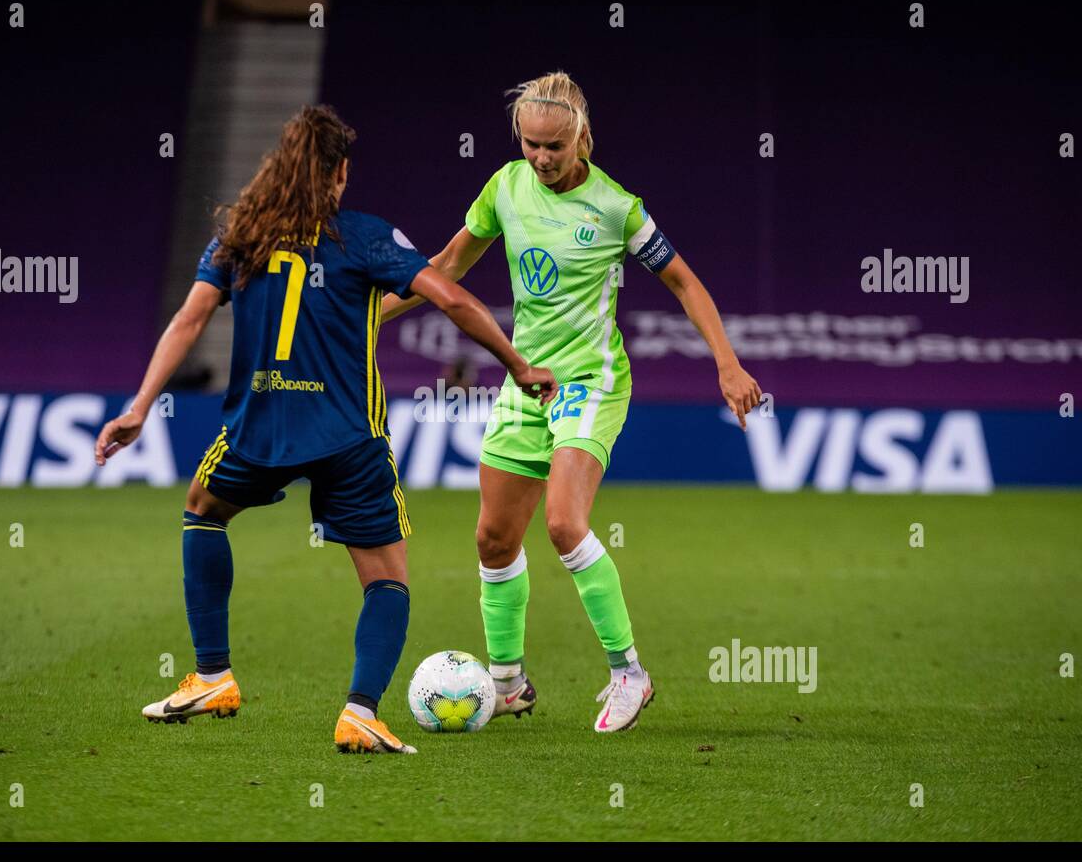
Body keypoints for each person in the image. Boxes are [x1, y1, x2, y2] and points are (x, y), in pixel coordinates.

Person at [94, 106, 555, 754]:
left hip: (259, 426)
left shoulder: (238, 236)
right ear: (340, 173)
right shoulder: (362, 237)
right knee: (387, 578)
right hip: (348, 434)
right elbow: (449, 296)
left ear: (281, 166)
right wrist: (518, 364)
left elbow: (189, 320)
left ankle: (212, 673)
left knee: (202, 510)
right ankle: (360, 711)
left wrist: (140, 406)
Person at [382, 72, 761, 732]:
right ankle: (508, 683)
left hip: (591, 379)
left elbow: (685, 281)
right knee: (493, 538)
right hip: (526, 380)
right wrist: (370, 317)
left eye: (553, 146)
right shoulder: (504, 187)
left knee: (562, 522)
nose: (540, 157)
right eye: (530, 143)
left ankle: (629, 673)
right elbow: (445, 265)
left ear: (582, 136)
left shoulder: (617, 207)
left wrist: (727, 365)